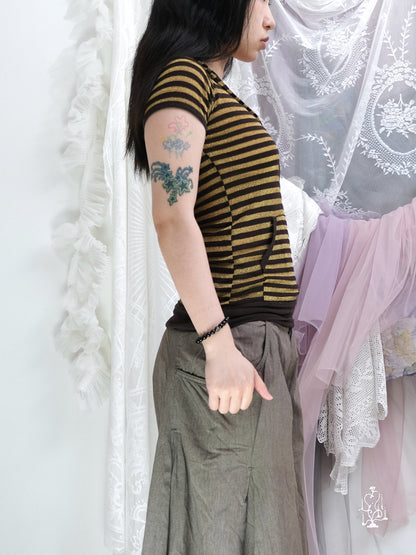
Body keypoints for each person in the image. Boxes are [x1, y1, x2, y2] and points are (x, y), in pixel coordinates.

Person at [127, 1, 308, 553]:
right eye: (261, 1)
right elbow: (171, 216)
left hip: (250, 349)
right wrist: (219, 346)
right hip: (228, 351)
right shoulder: (182, 78)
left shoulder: (207, 86)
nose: (271, 18)